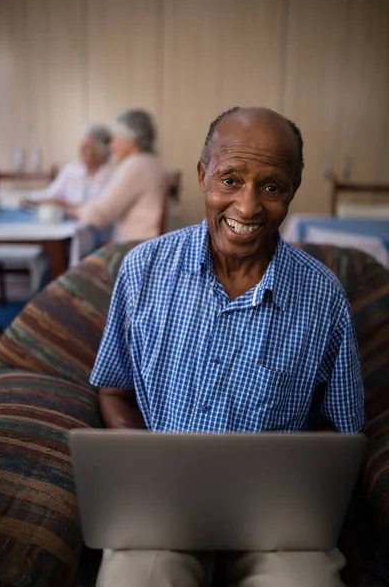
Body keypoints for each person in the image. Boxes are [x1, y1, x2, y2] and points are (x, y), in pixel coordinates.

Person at [90, 107, 365, 587]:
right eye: (231, 179)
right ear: (202, 176)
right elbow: (113, 389)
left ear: (292, 191)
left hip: (276, 524)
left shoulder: (324, 297)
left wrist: (294, 487)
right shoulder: (143, 271)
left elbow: (344, 429)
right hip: (161, 511)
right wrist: (143, 467)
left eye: (272, 187)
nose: (247, 206)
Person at [65, 110, 167, 242]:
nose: (111, 146)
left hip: (135, 247)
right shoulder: (151, 162)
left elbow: (101, 214)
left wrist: (75, 211)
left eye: (115, 139)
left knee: (82, 260)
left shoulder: (136, 164)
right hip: (146, 244)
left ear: (131, 140)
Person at [22, 124, 115, 207]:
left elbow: (102, 210)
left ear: (103, 152)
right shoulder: (71, 170)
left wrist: (65, 206)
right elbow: (50, 194)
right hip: (66, 225)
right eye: (81, 146)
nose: (81, 150)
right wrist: (28, 199)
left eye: (87, 147)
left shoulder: (113, 175)